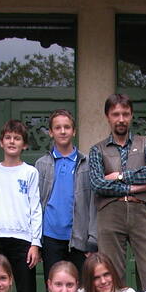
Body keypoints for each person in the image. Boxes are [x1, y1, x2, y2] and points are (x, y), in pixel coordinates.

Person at [88, 93, 146, 291]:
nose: (121, 119)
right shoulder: (97, 150)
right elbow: (98, 184)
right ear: (108, 116)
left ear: (131, 115)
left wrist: (120, 176)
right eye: (116, 114)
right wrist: (133, 187)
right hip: (110, 213)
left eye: (125, 114)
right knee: (111, 275)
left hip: (142, 211)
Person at [35, 109, 96, 278]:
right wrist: (36, 241)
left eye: (67, 127)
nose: (62, 131)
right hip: (50, 237)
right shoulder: (41, 164)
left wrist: (93, 239)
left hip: (79, 238)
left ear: (74, 131)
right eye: (57, 127)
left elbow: (94, 203)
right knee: (54, 287)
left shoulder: (87, 163)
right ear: (50, 132)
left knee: (81, 288)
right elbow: (35, 204)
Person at [0, 119, 42, 292]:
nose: (12, 141)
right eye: (8, 137)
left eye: (17, 138)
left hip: (23, 240)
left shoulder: (30, 172)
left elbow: (35, 208)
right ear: (1, 142)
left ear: (25, 144)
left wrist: (35, 243)